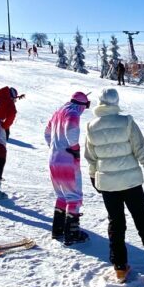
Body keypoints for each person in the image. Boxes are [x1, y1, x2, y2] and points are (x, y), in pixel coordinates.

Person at [84, 87, 144, 282]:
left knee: (116, 224)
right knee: (143, 222)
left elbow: (91, 157)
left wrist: (93, 176)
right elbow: (141, 150)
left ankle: (120, 267)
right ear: (116, 102)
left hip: (108, 184)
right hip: (131, 183)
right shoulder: (127, 122)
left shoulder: (91, 126)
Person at [45, 91, 92, 244]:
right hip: (67, 160)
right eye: (86, 106)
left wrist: (55, 147)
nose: (84, 109)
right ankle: (72, 234)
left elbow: (47, 133)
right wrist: (75, 148)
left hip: (53, 159)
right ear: (81, 104)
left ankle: (57, 230)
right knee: (74, 196)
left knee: (61, 195)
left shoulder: (58, 112)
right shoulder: (72, 112)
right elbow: (71, 129)